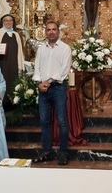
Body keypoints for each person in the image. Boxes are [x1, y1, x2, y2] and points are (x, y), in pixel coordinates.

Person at [32, 20, 72, 165]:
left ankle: (63, 152)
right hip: (43, 89)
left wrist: (48, 82)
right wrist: (38, 83)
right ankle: (47, 151)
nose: (51, 32)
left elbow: (64, 69)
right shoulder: (41, 49)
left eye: (53, 29)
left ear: (58, 31)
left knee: (62, 121)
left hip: (58, 88)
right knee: (44, 121)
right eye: (48, 30)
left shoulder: (65, 48)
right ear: (46, 32)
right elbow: (37, 68)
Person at [0, 14, 24, 110]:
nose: (8, 22)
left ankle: (12, 106)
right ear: (3, 22)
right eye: (6, 20)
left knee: (13, 83)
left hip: (14, 65)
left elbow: (19, 52)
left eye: (10, 21)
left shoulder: (16, 34)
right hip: (2, 63)